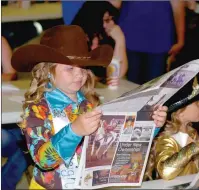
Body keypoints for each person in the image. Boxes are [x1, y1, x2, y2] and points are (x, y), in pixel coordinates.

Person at [11, 25, 167, 189]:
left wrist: (150, 125)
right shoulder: (38, 109)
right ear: (47, 71)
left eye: (83, 68)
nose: (79, 74)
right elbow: (43, 160)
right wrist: (74, 131)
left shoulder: (89, 105)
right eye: (70, 68)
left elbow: (115, 149)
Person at [144, 81, 199, 181]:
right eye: (196, 103)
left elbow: (195, 167)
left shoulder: (192, 133)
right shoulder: (166, 139)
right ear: (180, 113)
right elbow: (166, 172)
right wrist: (194, 147)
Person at [111, 0, 185, 84]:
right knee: (129, 85)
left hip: (158, 42)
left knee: (153, 88)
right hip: (130, 39)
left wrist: (181, 40)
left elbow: (178, 8)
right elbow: (116, 3)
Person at [71, 1, 127, 87]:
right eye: (106, 20)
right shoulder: (75, 39)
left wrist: (120, 40)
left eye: (112, 19)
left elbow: (116, 76)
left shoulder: (105, 38)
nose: (111, 24)